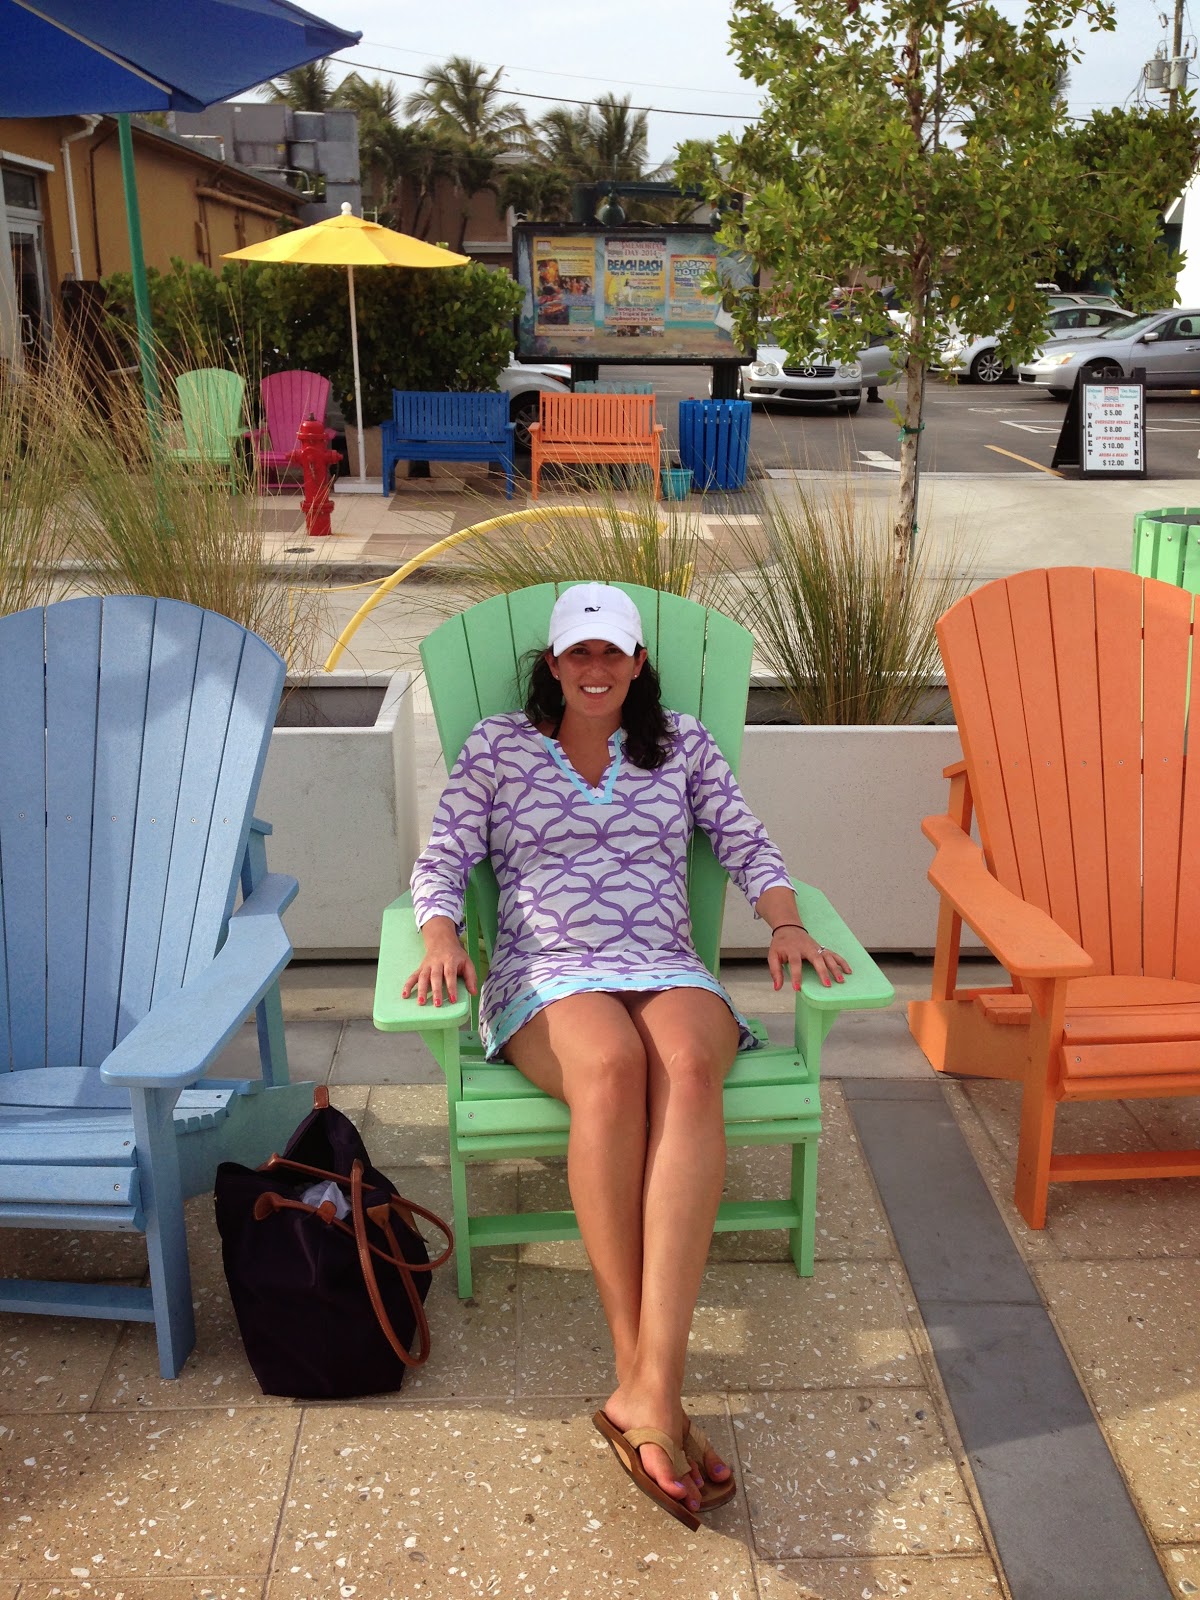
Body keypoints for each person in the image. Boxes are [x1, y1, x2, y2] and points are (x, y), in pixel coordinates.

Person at [403, 582, 850, 1530]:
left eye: (613, 652)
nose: (596, 668)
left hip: (663, 960)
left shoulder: (682, 743)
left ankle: (648, 1392)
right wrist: (441, 937)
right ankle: (647, 1384)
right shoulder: (498, 747)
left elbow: (748, 845)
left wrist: (786, 923)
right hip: (547, 972)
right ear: (553, 664)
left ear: (640, 662)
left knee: (687, 1066)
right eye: (580, 653)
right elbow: (441, 859)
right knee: (611, 1067)